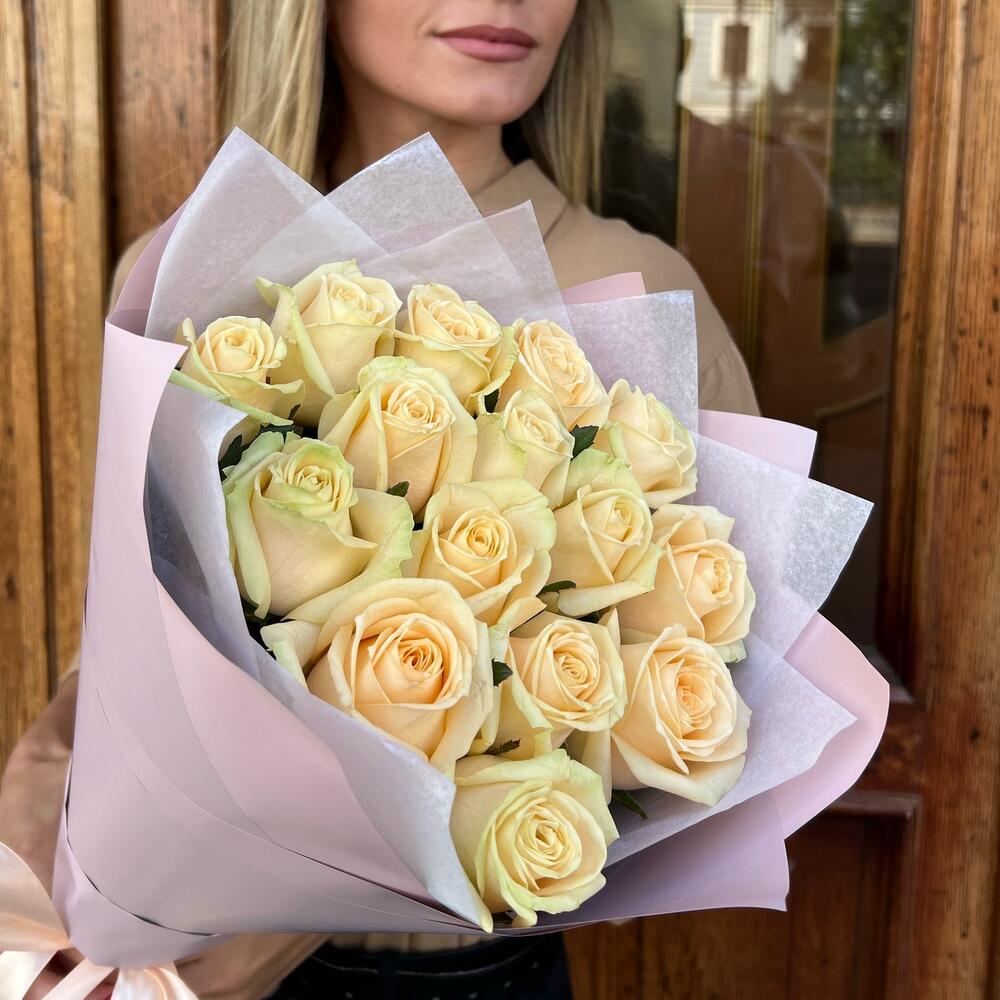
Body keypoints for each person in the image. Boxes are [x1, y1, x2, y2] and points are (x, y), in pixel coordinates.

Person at [0, 2, 758, 998]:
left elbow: (722, 695)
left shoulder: (644, 292)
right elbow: (132, 645)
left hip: (486, 978)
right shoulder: (185, 273)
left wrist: (320, 890)